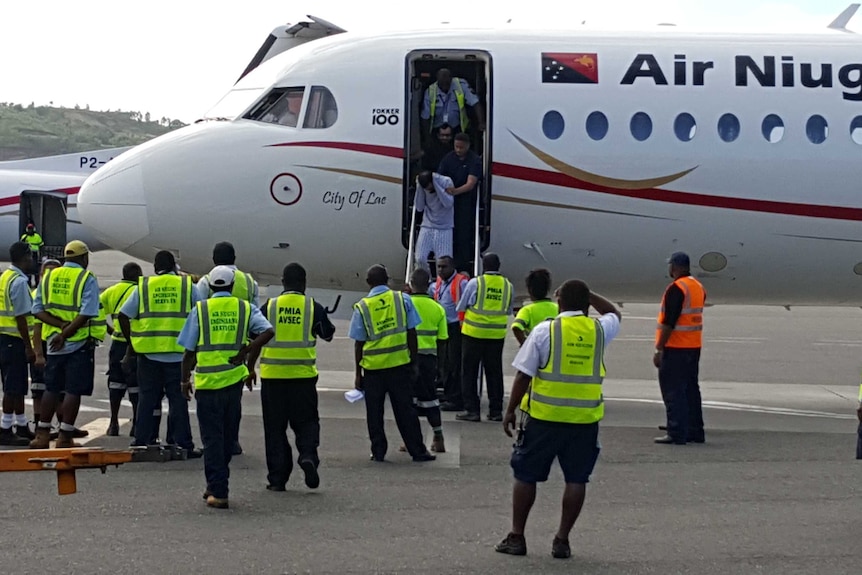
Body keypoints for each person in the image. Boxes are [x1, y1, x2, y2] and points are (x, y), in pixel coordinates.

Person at [495, 279, 621, 559]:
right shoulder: (599, 331)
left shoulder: (545, 330)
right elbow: (614, 313)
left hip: (545, 419)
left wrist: (510, 410)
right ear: (586, 303)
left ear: (558, 302)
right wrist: (590, 295)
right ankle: (562, 540)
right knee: (576, 480)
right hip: (584, 420)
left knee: (525, 476)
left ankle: (517, 536)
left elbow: (523, 375)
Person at [178, 266, 273, 509]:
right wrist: (246, 351)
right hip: (233, 383)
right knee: (228, 437)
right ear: (231, 287)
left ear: (210, 287)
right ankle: (215, 483)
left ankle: (219, 491)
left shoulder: (200, 310)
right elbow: (268, 331)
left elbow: (189, 351)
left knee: (212, 439)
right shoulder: (245, 307)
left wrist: (184, 379)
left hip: (208, 384)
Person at [252, 263, 335, 492]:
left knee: (275, 429)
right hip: (303, 377)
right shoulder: (311, 307)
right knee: (307, 422)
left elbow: (254, 335)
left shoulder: (270, 306)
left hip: (273, 377)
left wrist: (249, 366)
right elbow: (327, 333)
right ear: (304, 282)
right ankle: (308, 455)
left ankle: (278, 479)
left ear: (282, 281)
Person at [349, 264, 436, 462]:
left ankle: (378, 452)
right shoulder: (402, 299)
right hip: (399, 366)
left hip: (373, 369)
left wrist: (357, 374)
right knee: (406, 411)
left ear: (368, 283)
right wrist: (413, 362)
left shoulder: (362, 306)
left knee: (374, 413)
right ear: (388, 280)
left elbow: (358, 344)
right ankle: (418, 451)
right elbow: (411, 332)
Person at [118, 250, 201, 457]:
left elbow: (123, 315)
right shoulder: (188, 286)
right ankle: (183, 445)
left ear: (155, 268)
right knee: (178, 401)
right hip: (178, 355)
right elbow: (201, 313)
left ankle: (141, 442)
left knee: (147, 400)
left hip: (149, 354)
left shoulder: (144, 287)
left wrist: (133, 343)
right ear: (174, 266)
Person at [29, 240, 99, 449]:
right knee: (72, 390)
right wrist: (66, 333)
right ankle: (65, 436)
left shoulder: (49, 277)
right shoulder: (86, 278)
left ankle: (42, 435)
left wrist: (58, 328)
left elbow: (37, 310)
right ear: (84, 258)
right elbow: (86, 313)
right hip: (77, 344)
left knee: (51, 388)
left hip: (53, 344)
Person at [197, 241, 260, 456]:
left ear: (214, 260)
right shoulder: (250, 282)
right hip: (238, 350)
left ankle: (214, 443)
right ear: (234, 258)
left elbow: (198, 310)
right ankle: (232, 441)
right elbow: (256, 318)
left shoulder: (207, 281)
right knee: (234, 402)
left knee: (211, 404)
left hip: (210, 351)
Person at [653, 252, 706, 445]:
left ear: (675, 267)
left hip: (676, 347)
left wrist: (659, 348)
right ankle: (695, 430)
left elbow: (669, 322)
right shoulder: (697, 287)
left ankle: (676, 431)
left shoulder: (676, 289)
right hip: (693, 346)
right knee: (691, 389)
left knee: (673, 391)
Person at [456, 253, 513, 422]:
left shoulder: (476, 283)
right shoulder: (508, 285)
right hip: (496, 336)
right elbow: (509, 310)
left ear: (483, 265)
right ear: (499, 265)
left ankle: (472, 410)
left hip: (473, 334)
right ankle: (495, 411)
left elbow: (462, 305)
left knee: (469, 373)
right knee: (494, 373)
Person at [405, 268, 448, 453]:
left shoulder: (405, 305)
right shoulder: (438, 308)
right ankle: (439, 438)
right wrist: (442, 366)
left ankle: (412, 441)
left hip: (408, 359)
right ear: (429, 284)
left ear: (411, 284)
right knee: (430, 400)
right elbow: (443, 339)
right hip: (429, 360)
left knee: (409, 403)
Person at [100, 262, 143, 436]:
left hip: (117, 341)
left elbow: (95, 312)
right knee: (135, 384)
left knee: (115, 384)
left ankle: (113, 422)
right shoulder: (140, 292)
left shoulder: (111, 291)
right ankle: (136, 422)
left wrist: (110, 330)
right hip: (135, 342)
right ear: (138, 275)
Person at [0, 242, 36, 446]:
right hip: (15, 339)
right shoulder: (20, 282)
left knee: (17, 385)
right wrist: (29, 346)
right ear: (25, 257)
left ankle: (21, 425)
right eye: (30, 256)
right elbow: (21, 317)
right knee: (14, 386)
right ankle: (5, 428)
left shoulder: (6, 276)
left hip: (5, 338)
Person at [438, 132, 482, 271]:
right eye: (456, 147)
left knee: (463, 234)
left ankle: (462, 266)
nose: (458, 150)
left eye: (461, 147)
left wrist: (455, 191)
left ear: (468, 146)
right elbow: (440, 177)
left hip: (465, 201)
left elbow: (471, 183)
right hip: (448, 202)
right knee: (449, 233)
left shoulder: (474, 160)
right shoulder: (448, 158)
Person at [433, 255, 469, 412]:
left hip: (456, 327)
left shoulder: (462, 282)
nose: (440, 270)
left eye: (444, 267)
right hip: (443, 327)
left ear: (452, 267)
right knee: (444, 363)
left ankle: (456, 399)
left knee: (454, 364)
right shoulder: (439, 282)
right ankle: (448, 395)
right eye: (439, 266)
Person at [30, 258, 60, 435]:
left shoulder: (56, 294)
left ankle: (58, 424)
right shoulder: (37, 296)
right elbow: (36, 328)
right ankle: (39, 424)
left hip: (57, 344)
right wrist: (38, 354)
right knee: (39, 388)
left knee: (56, 389)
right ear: (40, 275)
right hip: (43, 344)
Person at [421, 68, 485, 136]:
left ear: (451, 79)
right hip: (437, 130)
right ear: (437, 80)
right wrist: (426, 136)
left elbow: (475, 103)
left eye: (447, 83)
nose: (444, 86)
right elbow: (425, 117)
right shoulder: (430, 91)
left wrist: (481, 122)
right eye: (441, 84)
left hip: (457, 129)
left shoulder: (460, 85)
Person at [413, 170, 455, 272]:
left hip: (444, 228)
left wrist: (437, 186)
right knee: (420, 258)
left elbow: (448, 203)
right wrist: (419, 188)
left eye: (430, 187)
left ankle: (441, 285)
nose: (429, 190)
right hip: (427, 225)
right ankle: (426, 281)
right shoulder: (423, 187)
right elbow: (419, 207)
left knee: (444, 263)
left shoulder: (446, 181)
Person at [512, 269, 559, 347]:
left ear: (530, 290)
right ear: (547, 289)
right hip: (554, 348)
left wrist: (525, 344)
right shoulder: (558, 308)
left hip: (536, 349)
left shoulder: (527, 310)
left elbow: (516, 327)